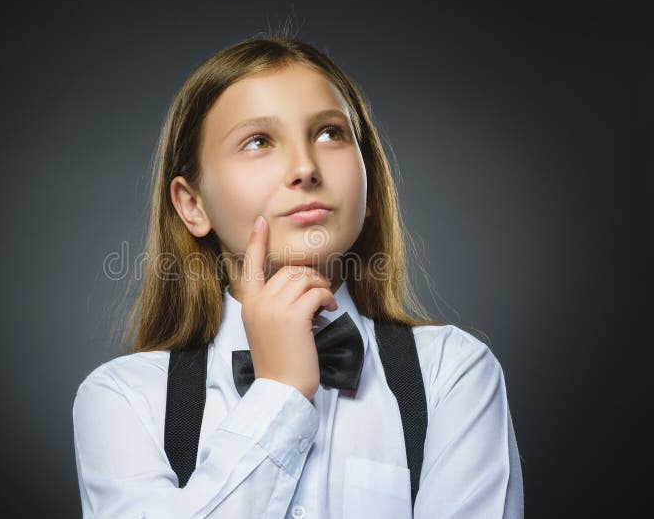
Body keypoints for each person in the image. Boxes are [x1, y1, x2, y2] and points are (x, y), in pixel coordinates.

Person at [72, 33, 523, 518]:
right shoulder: (123, 401)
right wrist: (281, 390)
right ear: (192, 204)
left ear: (368, 184)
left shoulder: (452, 374)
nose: (306, 167)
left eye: (330, 133)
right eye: (258, 141)